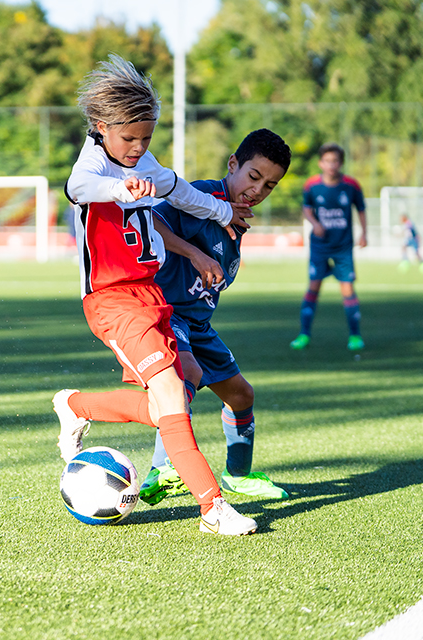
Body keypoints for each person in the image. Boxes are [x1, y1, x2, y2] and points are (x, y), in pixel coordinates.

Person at [54, 54, 257, 536]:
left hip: (150, 295)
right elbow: (79, 186)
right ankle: (212, 507)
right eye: (129, 138)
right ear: (102, 127)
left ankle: (76, 405)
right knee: (169, 394)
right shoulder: (93, 166)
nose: (138, 147)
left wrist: (221, 213)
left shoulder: (141, 160)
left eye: (146, 137)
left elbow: (181, 191)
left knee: (181, 388)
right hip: (112, 300)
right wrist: (123, 189)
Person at [139, 129, 292, 506]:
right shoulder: (200, 196)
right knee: (185, 375)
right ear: (233, 164)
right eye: (253, 177)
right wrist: (195, 253)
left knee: (241, 395)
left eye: (269, 185)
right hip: (168, 311)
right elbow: (151, 222)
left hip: (198, 323)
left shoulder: (238, 217)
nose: (257, 190)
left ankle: (238, 475)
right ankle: (162, 467)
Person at [290, 143, 367, 351]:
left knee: (348, 289)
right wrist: (315, 224)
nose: (331, 165)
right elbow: (306, 208)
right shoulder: (312, 185)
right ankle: (304, 334)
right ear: (320, 163)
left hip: (343, 247)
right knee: (313, 287)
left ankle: (355, 336)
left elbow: (361, 208)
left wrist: (364, 233)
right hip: (320, 247)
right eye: (327, 161)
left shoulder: (351, 185)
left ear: (341, 163)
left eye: (335, 161)